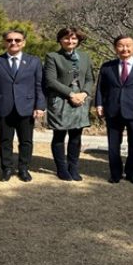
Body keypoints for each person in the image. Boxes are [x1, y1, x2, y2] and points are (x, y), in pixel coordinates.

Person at [0, 29, 46, 182]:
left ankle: (24, 168)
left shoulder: (34, 61)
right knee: (5, 141)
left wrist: (40, 106)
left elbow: (40, 85)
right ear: (5, 42)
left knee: (26, 141)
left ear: (23, 43)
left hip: (27, 107)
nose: (13, 43)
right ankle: (6, 169)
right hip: (3, 106)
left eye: (17, 40)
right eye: (10, 40)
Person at [95, 35, 133, 185]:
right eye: (121, 45)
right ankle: (115, 173)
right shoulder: (107, 66)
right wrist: (99, 104)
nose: (125, 49)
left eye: (128, 45)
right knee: (113, 145)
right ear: (116, 48)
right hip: (113, 109)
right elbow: (100, 88)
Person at [43, 27, 95, 181]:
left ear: (78, 40)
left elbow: (90, 78)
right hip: (61, 100)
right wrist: (71, 94)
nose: (70, 41)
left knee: (76, 136)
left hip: (81, 99)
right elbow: (50, 80)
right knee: (59, 135)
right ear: (60, 40)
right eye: (66, 38)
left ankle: (73, 167)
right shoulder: (52, 56)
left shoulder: (85, 57)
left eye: (73, 39)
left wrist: (84, 93)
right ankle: (61, 168)